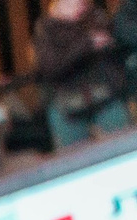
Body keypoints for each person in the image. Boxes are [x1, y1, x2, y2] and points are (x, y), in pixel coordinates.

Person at [39, 0, 132, 146]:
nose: (77, 6)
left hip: (104, 94)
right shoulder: (47, 29)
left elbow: (119, 41)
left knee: (124, 144)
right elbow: (51, 67)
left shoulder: (95, 18)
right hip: (69, 103)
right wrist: (88, 44)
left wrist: (109, 44)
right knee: (75, 156)